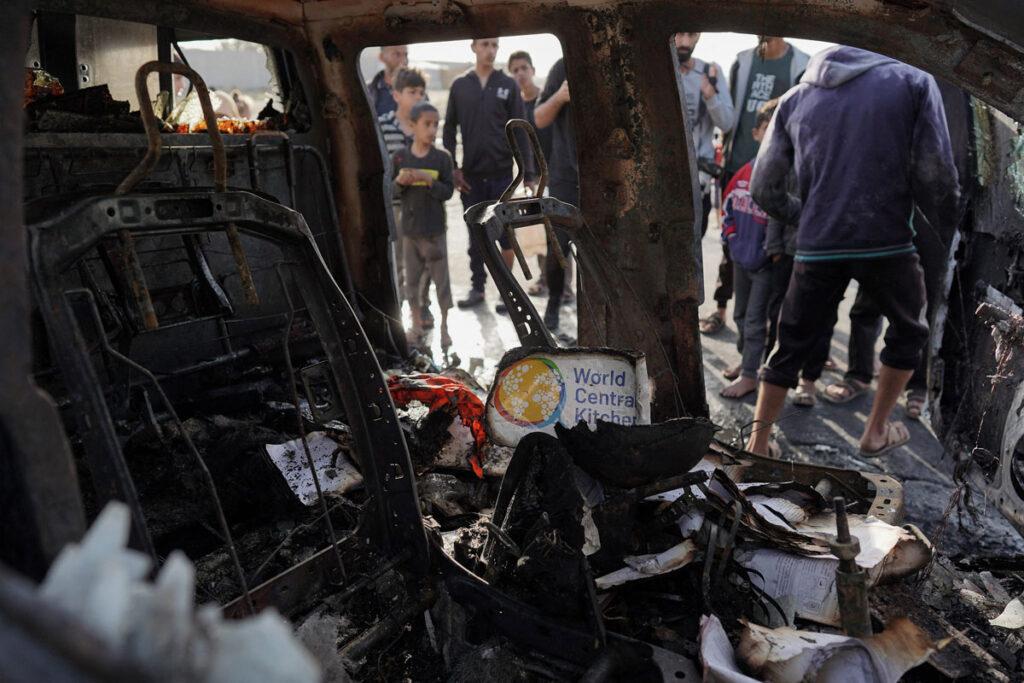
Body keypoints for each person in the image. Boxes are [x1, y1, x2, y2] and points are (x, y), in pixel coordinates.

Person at [746, 46, 959, 458]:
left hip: (817, 243)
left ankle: (758, 442)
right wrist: (944, 229)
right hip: (888, 240)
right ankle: (875, 431)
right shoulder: (913, 81)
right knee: (909, 330)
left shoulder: (794, 98)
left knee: (789, 342)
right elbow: (937, 178)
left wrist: (806, 215)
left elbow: (763, 188)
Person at [703, 36, 809, 338]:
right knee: (731, 244)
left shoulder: (800, 62)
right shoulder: (743, 60)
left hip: (776, 168)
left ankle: (769, 325)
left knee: (773, 248)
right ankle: (722, 310)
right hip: (739, 164)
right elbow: (730, 113)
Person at [443, 38, 533, 313]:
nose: (490, 50)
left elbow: (521, 130)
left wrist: (527, 174)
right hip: (471, 176)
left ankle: (507, 291)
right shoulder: (460, 85)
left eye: (494, 45)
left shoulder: (507, 85)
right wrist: (453, 168)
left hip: (503, 175)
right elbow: (448, 130)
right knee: (475, 237)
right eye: (485, 45)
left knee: (506, 234)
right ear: (473, 47)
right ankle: (478, 288)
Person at [719, 100, 777, 399]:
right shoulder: (742, 174)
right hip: (740, 260)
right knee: (740, 315)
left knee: (755, 320)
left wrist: (773, 252)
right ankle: (746, 361)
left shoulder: (784, 177)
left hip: (766, 264)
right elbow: (726, 209)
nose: (772, 137)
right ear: (756, 133)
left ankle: (750, 374)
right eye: (768, 130)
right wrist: (730, 239)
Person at [391, 102, 455, 348]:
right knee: (412, 282)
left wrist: (429, 181)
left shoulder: (442, 158)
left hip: (435, 232)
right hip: (410, 232)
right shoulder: (400, 157)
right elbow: (392, 191)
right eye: (427, 124)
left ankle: (445, 327)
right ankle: (415, 326)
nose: (432, 130)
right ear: (412, 126)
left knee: (442, 284)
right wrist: (400, 181)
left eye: (435, 124)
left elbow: (448, 192)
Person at [379, 68, 431, 329]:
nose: (418, 97)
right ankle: (401, 311)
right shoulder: (382, 124)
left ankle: (422, 306)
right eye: (412, 92)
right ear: (396, 94)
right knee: (400, 260)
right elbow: (381, 167)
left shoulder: (425, 125)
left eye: (421, 92)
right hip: (398, 206)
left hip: (423, 205)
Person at [533, 57, 578, 333]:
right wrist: (561, 96)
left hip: (603, 179)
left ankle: (597, 314)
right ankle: (553, 303)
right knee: (557, 249)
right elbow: (539, 117)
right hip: (564, 177)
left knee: (601, 254)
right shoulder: (562, 66)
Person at [508, 50, 557, 298]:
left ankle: (563, 285)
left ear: (533, 70)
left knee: (556, 232)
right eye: (514, 70)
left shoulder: (545, 100)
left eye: (523, 68)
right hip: (531, 177)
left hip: (554, 173)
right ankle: (544, 280)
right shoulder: (514, 106)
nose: (520, 73)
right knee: (536, 230)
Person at [368, 45, 409, 118]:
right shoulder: (367, 91)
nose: (404, 61)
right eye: (397, 54)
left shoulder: (417, 90)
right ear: (382, 57)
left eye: (405, 55)